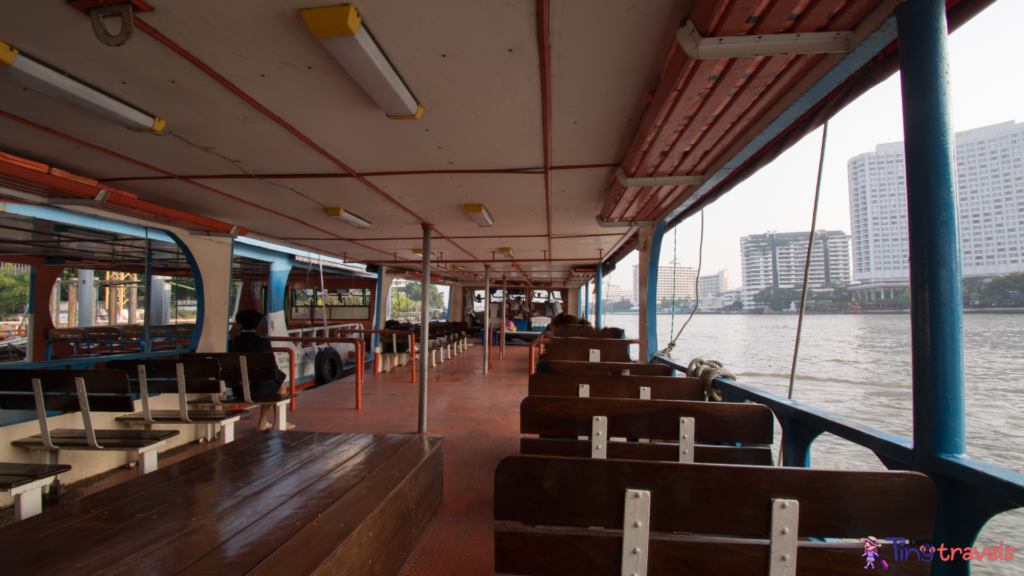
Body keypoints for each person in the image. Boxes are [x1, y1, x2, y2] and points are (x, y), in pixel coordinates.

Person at [228, 309, 294, 431]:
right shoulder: (263, 342)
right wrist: (281, 376)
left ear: (239, 325)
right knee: (279, 383)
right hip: (257, 390)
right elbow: (271, 368)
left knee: (269, 383)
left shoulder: (232, 343)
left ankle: (263, 422)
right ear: (258, 325)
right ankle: (277, 422)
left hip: (238, 390)